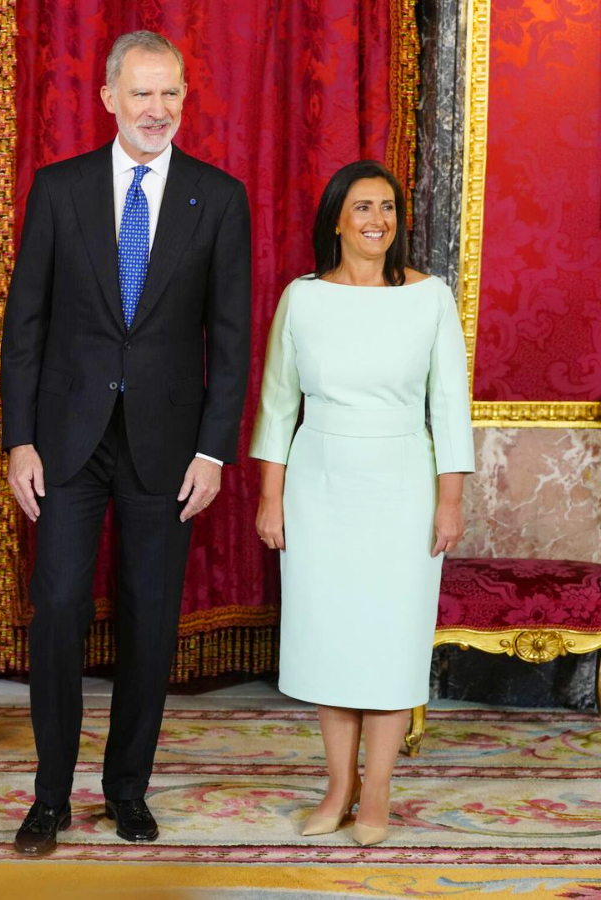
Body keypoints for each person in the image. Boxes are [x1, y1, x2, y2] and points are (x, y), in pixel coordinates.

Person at [1, 31, 252, 855]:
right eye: (142, 94)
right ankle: (48, 797)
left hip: (168, 451)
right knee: (61, 610)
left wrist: (214, 452)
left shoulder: (218, 198)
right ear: (108, 97)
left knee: (150, 621)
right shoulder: (59, 189)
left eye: (171, 94)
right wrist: (19, 441)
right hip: (68, 443)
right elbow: (25, 326)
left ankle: (127, 791)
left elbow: (231, 338)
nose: (157, 110)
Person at [250, 160, 475, 846]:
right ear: (337, 220)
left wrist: (450, 502)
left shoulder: (430, 298)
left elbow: (449, 408)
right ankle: (338, 784)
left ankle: (376, 790)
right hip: (320, 485)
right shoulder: (303, 297)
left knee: (389, 644)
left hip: (404, 483)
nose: (377, 220)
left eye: (387, 207)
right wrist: (271, 498)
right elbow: (277, 404)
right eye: (362, 207)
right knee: (332, 640)